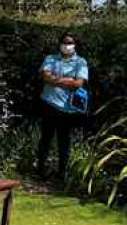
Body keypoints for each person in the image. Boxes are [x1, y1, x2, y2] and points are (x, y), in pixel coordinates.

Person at [36, 32, 89, 179]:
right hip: (49, 103)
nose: (67, 45)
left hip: (67, 109)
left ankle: (62, 173)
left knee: (64, 142)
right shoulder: (51, 58)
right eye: (65, 42)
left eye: (70, 43)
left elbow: (78, 83)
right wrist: (67, 80)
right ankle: (40, 169)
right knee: (45, 139)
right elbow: (45, 77)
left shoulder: (81, 62)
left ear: (75, 45)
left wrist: (56, 80)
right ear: (60, 44)